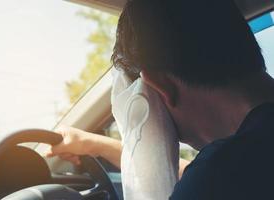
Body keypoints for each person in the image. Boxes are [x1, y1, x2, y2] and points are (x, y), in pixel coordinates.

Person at [47, 0, 274, 199]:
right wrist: (96, 144)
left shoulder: (218, 176)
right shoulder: (240, 167)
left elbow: (216, 175)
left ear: (160, 86)